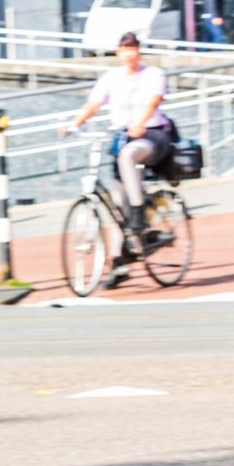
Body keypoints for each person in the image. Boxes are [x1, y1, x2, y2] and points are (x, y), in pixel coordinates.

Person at [60, 32, 175, 282]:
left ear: (139, 51)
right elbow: (93, 104)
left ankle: (138, 212)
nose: (129, 53)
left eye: (133, 48)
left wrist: (140, 123)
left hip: (152, 136)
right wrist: (73, 125)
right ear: (118, 52)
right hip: (122, 136)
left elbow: (154, 100)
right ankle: (118, 264)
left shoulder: (153, 74)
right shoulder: (111, 78)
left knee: (128, 154)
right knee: (115, 202)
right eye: (124, 49)